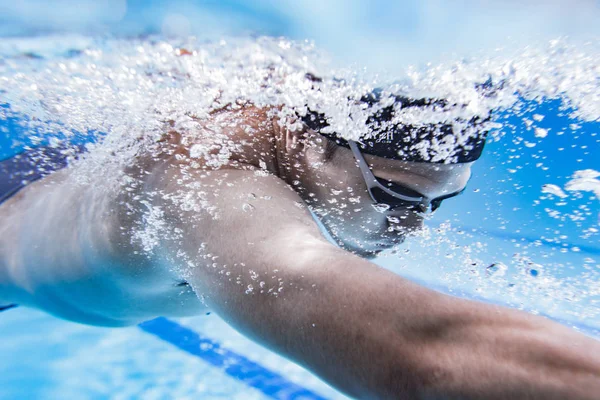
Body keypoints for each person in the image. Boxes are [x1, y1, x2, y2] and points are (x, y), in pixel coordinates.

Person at [0, 87, 599, 399]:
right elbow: (419, 353)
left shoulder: (294, 131)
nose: (414, 228)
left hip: (78, 176)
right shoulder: (206, 188)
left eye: (439, 204)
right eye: (394, 196)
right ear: (315, 143)